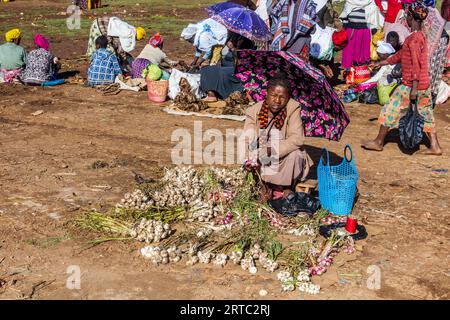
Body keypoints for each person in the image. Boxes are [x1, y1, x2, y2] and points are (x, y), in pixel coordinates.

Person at [362, 2, 442, 155]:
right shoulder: (417, 37)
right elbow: (401, 55)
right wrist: (382, 62)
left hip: (411, 84)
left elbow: (416, 64)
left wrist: (413, 87)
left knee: (390, 108)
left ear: (411, 16)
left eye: (407, 15)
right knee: (426, 113)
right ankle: (435, 146)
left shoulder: (414, 39)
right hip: (423, 84)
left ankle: (379, 141)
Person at [241, 76, 313, 201]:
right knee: (255, 153)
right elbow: (247, 138)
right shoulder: (254, 111)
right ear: (267, 94)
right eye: (273, 95)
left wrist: (272, 149)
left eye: (282, 97)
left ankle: (285, 186)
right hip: (262, 154)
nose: (277, 100)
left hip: (280, 152)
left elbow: (297, 139)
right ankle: (265, 185)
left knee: (296, 154)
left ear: (288, 97)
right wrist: (248, 157)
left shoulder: (292, 108)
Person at [200, 33, 255, 102]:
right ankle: (212, 92)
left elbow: (240, 62)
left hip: (236, 68)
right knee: (206, 68)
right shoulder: (231, 39)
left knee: (211, 70)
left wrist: (232, 49)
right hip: (225, 66)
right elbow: (223, 54)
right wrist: (218, 62)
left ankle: (212, 95)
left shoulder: (247, 43)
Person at [339, 0, 384, 69]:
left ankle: (361, 72)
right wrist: (345, 26)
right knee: (350, 51)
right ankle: (350, 72)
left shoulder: (370, 2)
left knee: (362, 51)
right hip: (352, 30)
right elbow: (345, 16)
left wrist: (373, 28)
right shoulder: (350, 2)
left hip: (365, 31)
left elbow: (374, 16)